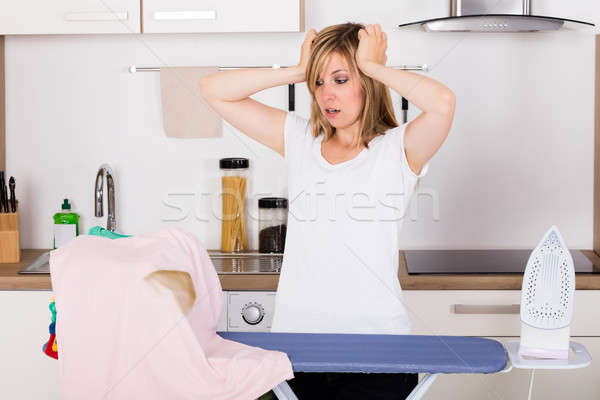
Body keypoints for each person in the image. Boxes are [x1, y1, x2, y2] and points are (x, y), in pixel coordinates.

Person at [199, 22, 455, 400]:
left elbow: (443, 103)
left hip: (379, 348)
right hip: (299, 347)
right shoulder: (301, 140)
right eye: (319, 83)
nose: (326, 95)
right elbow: (212, 90)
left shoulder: (399, 149)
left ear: (367, 81)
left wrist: (374, 65)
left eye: (339, 79)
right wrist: (298, 70)